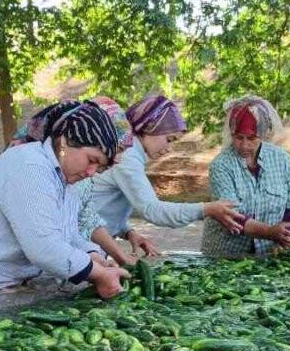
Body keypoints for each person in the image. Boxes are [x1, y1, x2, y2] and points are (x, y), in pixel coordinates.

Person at [0, 100, 131, 298]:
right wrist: (98, 274)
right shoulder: (30, 166)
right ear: (66, 142)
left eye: (99, 166)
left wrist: (94, 256)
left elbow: (67, 235)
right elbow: (44, 247)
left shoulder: (64, 180)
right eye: (92, 160)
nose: (91, 171)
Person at [72, 95, 245, 266]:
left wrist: (127, 231)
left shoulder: (129, 155)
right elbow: (153, 210)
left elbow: (95, 209)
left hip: (90, 245)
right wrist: (206, 209)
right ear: (149, 127)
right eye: (168, 139)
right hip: (78, 248)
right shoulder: (127, 156)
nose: (168, 149)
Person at [200, 96, 290, 258]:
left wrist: (287, 233)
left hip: (270, 252)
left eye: (251, 138)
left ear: (262, 135)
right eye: (238, 137)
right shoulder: (221, 166)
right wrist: (270, 232)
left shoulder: (281, 159)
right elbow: (232, 216)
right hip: (226, 255)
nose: (244, 145)